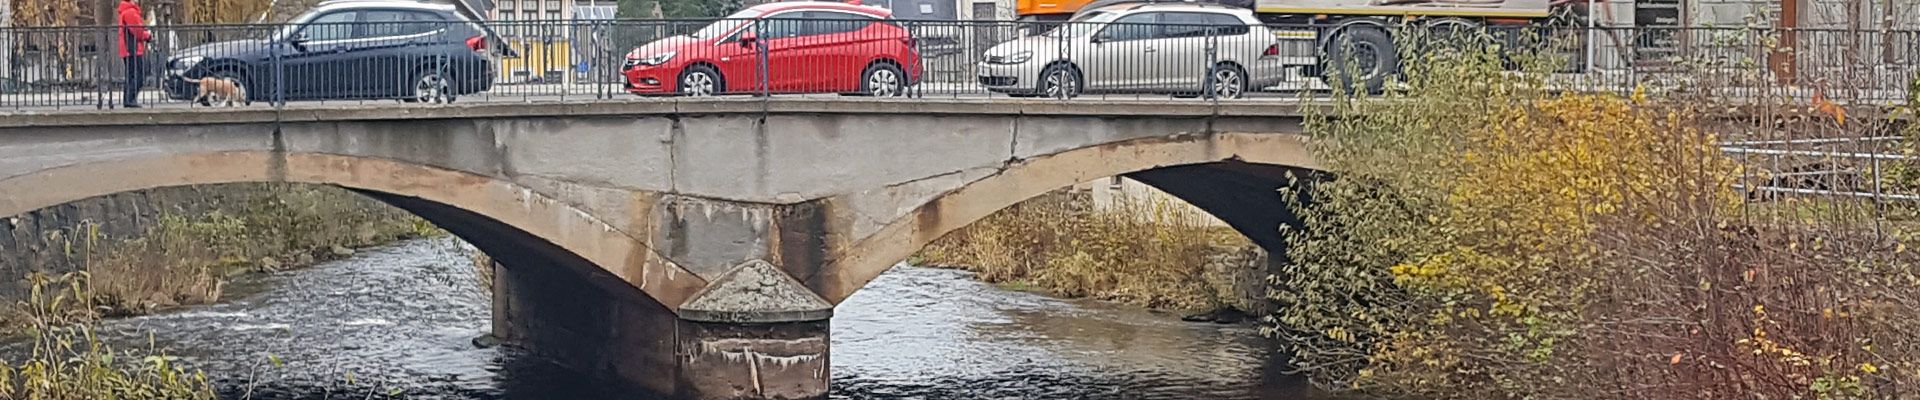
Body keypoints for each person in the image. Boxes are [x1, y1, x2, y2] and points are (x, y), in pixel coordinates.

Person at [117, 0, 152, 108]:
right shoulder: (130, 12)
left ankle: (128, 100)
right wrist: (148, 35)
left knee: (131, 75)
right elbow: (138, 31)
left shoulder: (124, 11)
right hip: (133, 48)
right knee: (140, 74)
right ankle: (130, 99)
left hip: (127, 49)